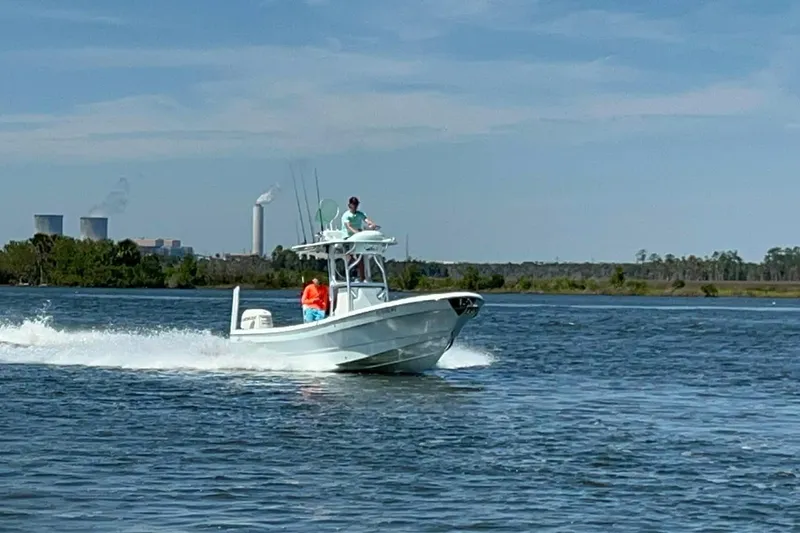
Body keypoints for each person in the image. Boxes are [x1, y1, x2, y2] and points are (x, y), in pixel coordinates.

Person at [341, 196, 378, 281]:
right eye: (353, 204)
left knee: (360, 257)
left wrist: (372, 225)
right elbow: (348, 226)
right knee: (349, 255)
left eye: (356, 204)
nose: (355, 206)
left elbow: (366, 220)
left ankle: (362, 278)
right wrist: (357, 233)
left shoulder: (360, 214)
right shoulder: (346, 215)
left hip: (358, 238)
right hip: (347, 237)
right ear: (349, 205)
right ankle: (351, 270)